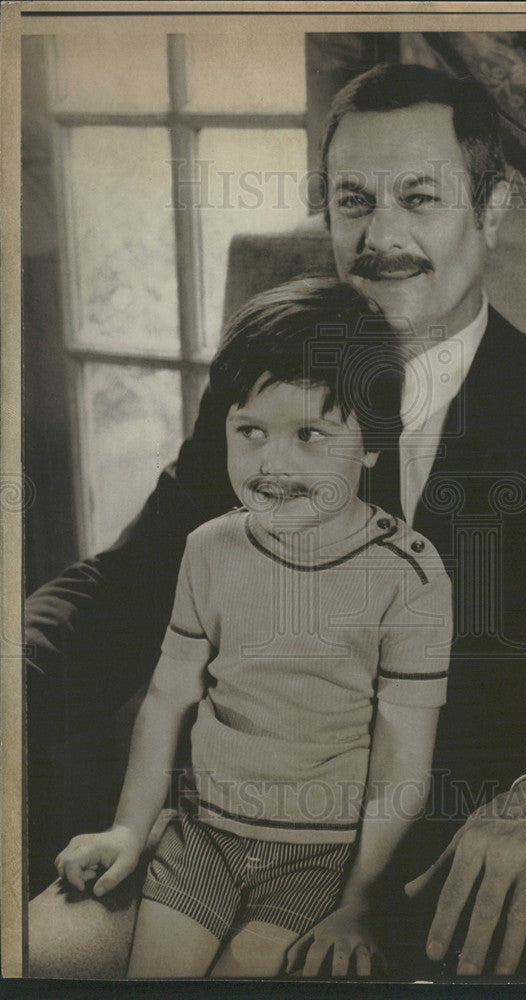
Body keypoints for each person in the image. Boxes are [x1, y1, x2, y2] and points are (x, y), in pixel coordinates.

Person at [26, 63, 526, 978]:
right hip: (227, 838)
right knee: (38, 957)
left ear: (494, 206)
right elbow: (132, 582)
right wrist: (17, 668)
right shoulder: (266, 391)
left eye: (420, 198)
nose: (381, 236)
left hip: (432, 881)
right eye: (353, 200)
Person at [53, 279, 453, 977]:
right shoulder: (209, 548)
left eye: (310, 436)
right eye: (250, 433)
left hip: (316, 863)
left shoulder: (408, 575)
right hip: (202, 840)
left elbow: (402, 762)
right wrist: (129, 828)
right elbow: (166, 700)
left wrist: (359, 901)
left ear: (372, 445)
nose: (272, 464)